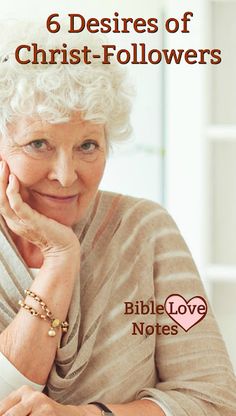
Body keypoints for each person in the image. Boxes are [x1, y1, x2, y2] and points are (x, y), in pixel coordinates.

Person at [0, 21, 235, 416]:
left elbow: (213, 400)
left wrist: (85, 415)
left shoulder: (146, 231)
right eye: (38, 144)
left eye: (87, 145)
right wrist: (60, 258)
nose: (65, 174)